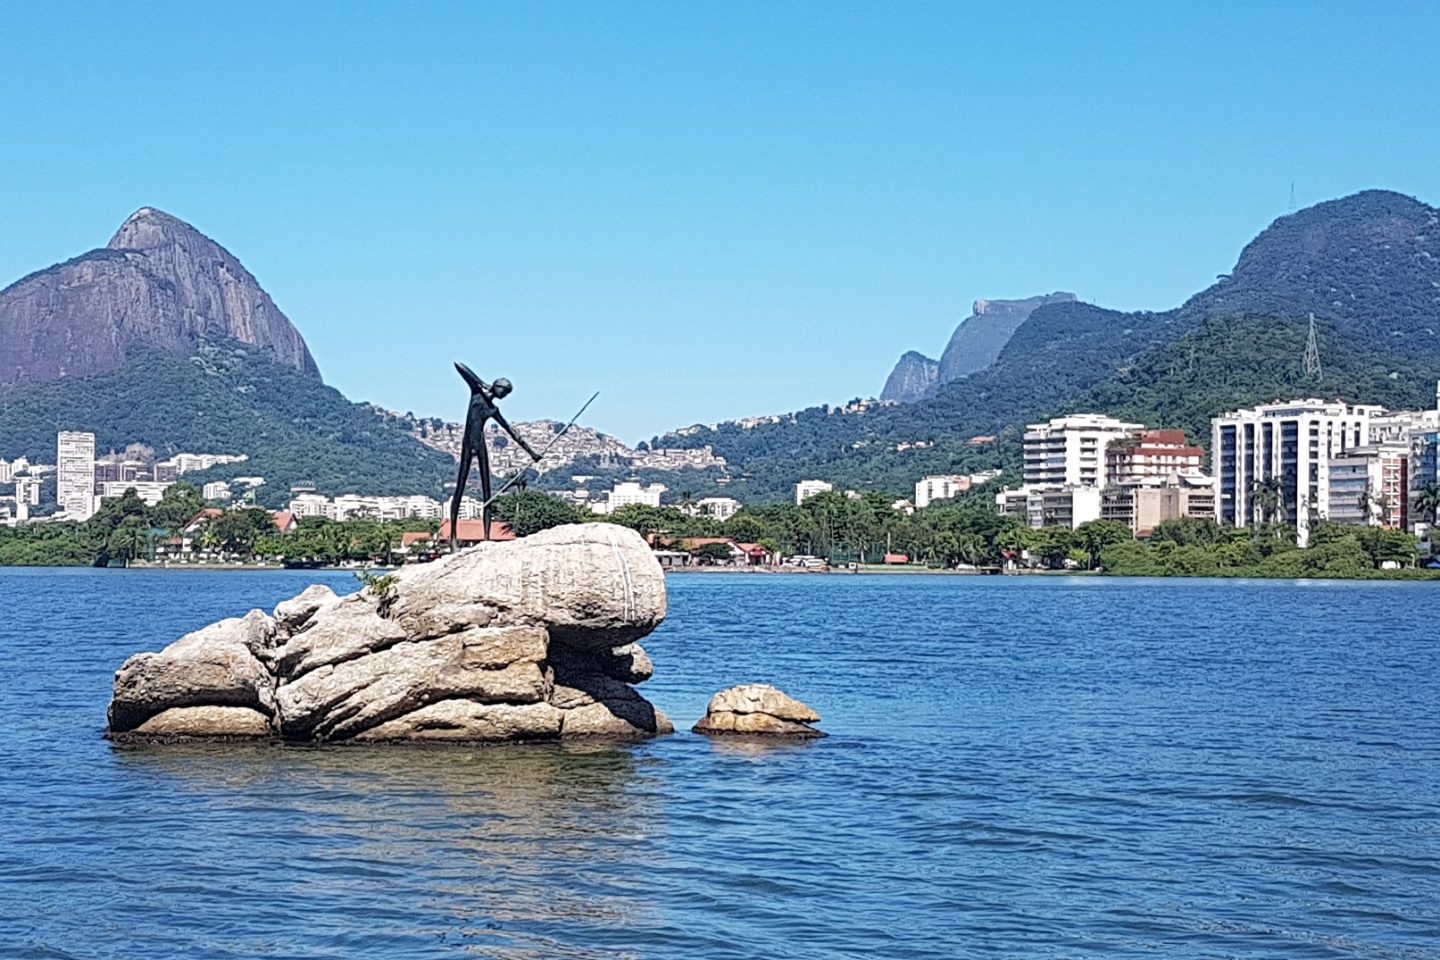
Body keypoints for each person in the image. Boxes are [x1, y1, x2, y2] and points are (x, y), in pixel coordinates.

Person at [450, 362, 540, 548]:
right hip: (467, 445)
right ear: (497, 386)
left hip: (481, 445)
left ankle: (486, 537)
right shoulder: (477, 393)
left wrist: (532, 453)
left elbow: (512, 433)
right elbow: (459, 366)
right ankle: (452, 537)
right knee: (459, 490)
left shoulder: (493, 409)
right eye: (504, 392)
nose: (504, 396)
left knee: (487, 493)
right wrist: (482, 383)